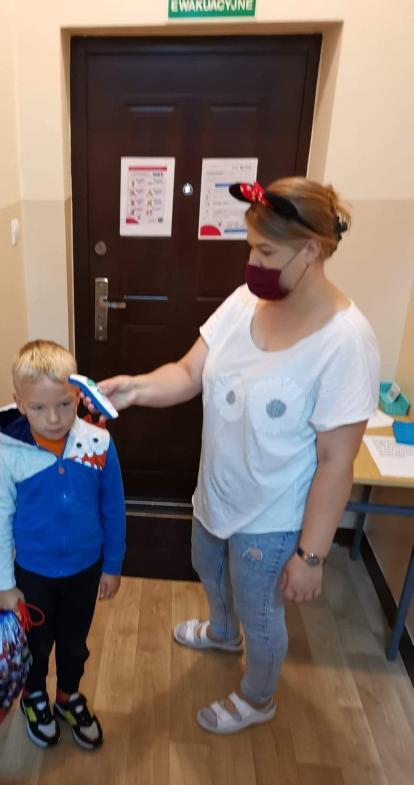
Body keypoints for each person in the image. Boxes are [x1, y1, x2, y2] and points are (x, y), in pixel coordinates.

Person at [96, 177, 380, 735]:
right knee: (208, 568)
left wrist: (312, 556)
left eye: (266, 252)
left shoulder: (346, 341)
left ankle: (257, 697)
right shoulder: (247, 301)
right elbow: (189, 372)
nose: (253, 264)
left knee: (262, 614)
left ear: (312, 250)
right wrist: (133, 389)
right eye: (250, 248)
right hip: (217, 491)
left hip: (272, 519)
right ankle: (223, 635)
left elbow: (336, 462)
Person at [0, 339, 125, 749]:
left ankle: (67, 696)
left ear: (78, 395)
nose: (53, 418)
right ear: (19, 403)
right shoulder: (10, 456)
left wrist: (112, 565)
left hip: (85, 570)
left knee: (74, 644)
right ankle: (34, 697)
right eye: (38, 408)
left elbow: (114, 508)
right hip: (33, 576)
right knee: (35, 645)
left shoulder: (98, 444)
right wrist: (4, 584)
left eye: (64, 405)